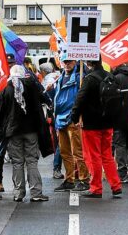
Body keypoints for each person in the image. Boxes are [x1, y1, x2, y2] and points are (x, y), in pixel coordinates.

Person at [71, 60, 122, 199]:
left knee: (93, 156)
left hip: (91, 122)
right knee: (107, 156)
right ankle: (116, 186)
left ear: (88, 63)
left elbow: (80, 99)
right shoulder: (111, 77)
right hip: (108, 122)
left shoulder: (89, 79)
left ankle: (96, 188)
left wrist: (74, 117)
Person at [0, 65, 49, 202]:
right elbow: (44, 98)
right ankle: (36, 192)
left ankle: (18, 193)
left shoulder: (6, 88)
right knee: (32, 161)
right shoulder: (31, 86)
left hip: (13, 131)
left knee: (17, 163)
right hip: (31, 130)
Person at [49, 59, 90, 192]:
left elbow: (83, 97)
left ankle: (84, 179)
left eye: (69, 62)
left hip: (73, 119)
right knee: (65, 152)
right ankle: (70, 179)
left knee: (77, 151)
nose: (67, 64)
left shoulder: (79, 78)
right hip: (60, 118)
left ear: (75, 62)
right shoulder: (60, 78)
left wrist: (80, 115)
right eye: (64, 62)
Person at [0, 54, 18, 193]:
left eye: (11, 63)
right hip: (3, 125)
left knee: (18, 157)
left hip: (15, 125)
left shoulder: (20, 81)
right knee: (0, 153)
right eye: (7, 64)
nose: (9, 66)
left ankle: (18, 185)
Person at [39, 62, 63, 180]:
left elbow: (45, 99)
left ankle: (56, 168)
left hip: (53, 114)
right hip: (63, 112)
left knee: (58, 143)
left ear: (43, 72)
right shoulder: (59, 76)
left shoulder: (47, 81)